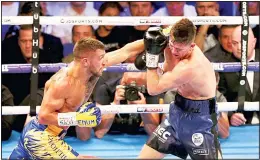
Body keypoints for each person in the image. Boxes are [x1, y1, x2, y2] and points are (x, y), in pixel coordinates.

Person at [9, 37, 145, 159]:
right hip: (40, 137)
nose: (104, 62)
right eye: (100, 58)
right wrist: (77, 118)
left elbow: (126, 51)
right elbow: (44, 116)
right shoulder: (63, 83)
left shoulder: (93, 66)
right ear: (86, 61)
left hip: (52, 135)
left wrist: (160, 36)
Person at [136, 18, 222, 159]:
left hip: (200, 119)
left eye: (179, 49)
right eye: (172, 45)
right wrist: (155, 46)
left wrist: (151, 57)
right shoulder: (171, 34)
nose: (174, 51)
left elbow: (153, 89)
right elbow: (167, 66)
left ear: (192, 46)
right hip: (177, 112)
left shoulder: (190, 67)